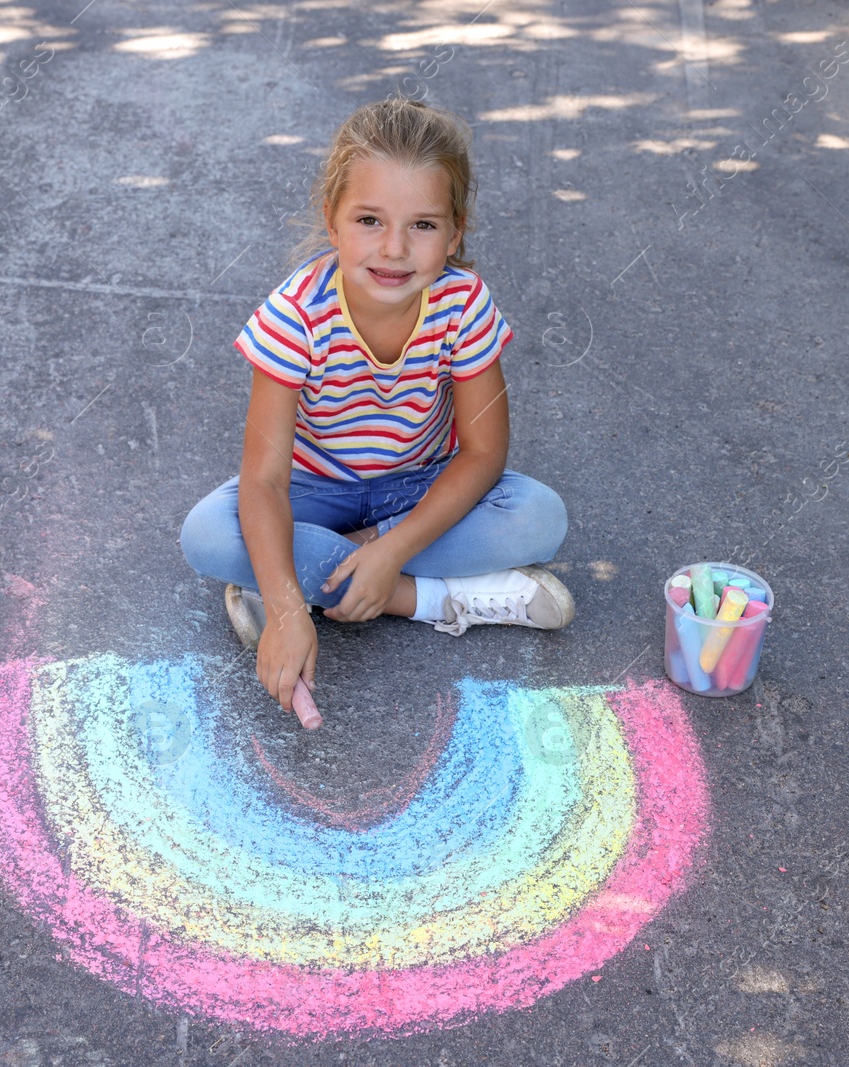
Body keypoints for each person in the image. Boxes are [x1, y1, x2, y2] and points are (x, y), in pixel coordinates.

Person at [180, 97, 573, 717]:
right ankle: (428, 598)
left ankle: (317, 576)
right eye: (369, 220)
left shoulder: (462, 304)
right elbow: (263, 478)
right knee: (206, 535)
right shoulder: (296, 316)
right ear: (331, 219)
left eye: (422, 225)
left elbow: (484, 453)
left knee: (537, 518)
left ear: (454, 231)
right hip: (314, 487)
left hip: (417, 486)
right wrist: (287, 615)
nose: (393, 249)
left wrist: (386, 550)